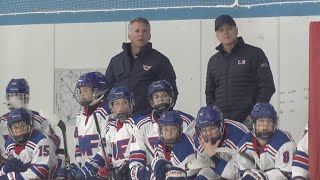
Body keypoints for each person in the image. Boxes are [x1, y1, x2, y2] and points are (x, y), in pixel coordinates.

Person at [205, 14, 275, 125]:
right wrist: (215, 116)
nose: (226, 32)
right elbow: (209, 93)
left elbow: (267, 87)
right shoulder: (213, 61)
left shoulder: (255, 54)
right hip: (222, 124)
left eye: (229, 28)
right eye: (221, 30)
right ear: (217, 35)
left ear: (236, 31)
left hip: (248, 122)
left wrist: (253, 115)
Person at [105, 17, 178, 116]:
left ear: (149, 36)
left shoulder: (160, 61)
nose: (140, 34)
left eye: (144, 31)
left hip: (149, 120)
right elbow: (106, 92)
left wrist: (158, 116)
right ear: (129, 35)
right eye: (137, 31)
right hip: (121, 120)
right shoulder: (116, 61)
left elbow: (171, 92)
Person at [129, 80, 194, 180]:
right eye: (156, 97)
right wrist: (145, 172)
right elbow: (136, 161)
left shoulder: (187, 121)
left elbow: (190, 156)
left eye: (164, 95)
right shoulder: (140, 126)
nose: (161, 99)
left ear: (170, 97)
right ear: (151, 100)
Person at [69, 86, 136, 180]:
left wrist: (131, 168)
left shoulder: (138, 125)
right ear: (112, 107)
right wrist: (86, 167)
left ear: (131, 103)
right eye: (117, 104)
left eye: (124, 103)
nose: (121, 107)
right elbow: (107, 153)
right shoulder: (111, 127)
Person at [237, 102, 295, 179]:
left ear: (274, 123)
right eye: (261, 121)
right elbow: (243, 172)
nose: (265, 126)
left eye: (269, 121)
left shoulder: (284, 142)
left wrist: (260, 177)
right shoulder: (245, 143)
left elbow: (287, 174)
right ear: (254, 123)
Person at [0, 107, 58, 179]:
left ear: (29, 125)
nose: (19, 130)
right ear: (10, 129)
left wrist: (14, 177)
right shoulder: (9, 143)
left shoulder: (41, 140)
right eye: (15, 127)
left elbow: (41, 171)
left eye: (23, 125)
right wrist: (5, 170)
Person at [0, 78, 60, 146]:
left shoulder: (39, 119)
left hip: (34, 156)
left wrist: (36, 139)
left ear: (26, 99)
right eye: (11, 96)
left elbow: (54, 142)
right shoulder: (2, 121)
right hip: (8, 155)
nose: (14, 100)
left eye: (19, 97)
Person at [195, 105, 249, 179]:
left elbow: (238, 174)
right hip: (220, 166)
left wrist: (213, 156)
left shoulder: (239, 135)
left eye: (212, 128)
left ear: (221, 125)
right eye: (204, 130)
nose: (208, 134)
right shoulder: (200, 138)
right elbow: (204, 168)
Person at [72, 72, 111, 167]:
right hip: (86, 170)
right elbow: (78, 145)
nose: (82, 94)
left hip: (102, 170)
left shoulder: (106, 112)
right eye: (81, 91)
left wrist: (93, 165)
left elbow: (108, 146)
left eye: (85, 90)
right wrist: (77, 166)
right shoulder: (80, 115)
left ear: (98, 91)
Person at [151, 111, 196, 180]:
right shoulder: (160, 143)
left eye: (173, 129)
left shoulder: (186, 147)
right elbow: (155, 168)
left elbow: (185, 177)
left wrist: (165, 171)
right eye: (166, 129)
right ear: (161, 130)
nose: (169, 133)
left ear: (179, 130)